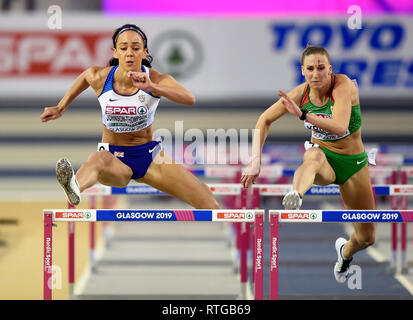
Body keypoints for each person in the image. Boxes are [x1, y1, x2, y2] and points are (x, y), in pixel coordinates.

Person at [40, 24, 220, 210]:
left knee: (208, 202)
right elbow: (86, 76)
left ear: (144, 52)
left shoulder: (156, 79)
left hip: (148, 156)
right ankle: (74, 187)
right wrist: (61, 106)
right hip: (113, 158)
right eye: (124, 48)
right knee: (96, 159)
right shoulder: (101, 78)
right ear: (116, 52)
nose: (129, 53)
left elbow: (189, 99)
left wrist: (152, 88)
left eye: (135, 48)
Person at [240, 45, 376, 283]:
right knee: (312, 156)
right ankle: (296, 195)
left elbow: (340, 126)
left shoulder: (343, 86)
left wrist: (303, 115)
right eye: (310, 69)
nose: (316, 74)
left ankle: (344, 253)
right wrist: (255, 161)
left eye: (321, 68)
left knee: (366, 238)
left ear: (330, 69)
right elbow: (264, 120)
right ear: (302, 71)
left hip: (353, 163)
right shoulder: (300, 93)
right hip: (323, 160)